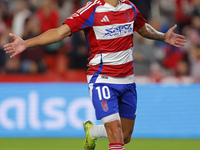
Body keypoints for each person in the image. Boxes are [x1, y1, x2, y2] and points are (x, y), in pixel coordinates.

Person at [3, 0, 186, 150]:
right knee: (115, 133)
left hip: (128, 81)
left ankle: (92, 132)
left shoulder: (130, 8)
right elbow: (60, 32)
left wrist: (163, 37)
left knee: (125, 136)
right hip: (102, 79)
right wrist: (26, 43)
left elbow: (143, 28)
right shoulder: (91, 10)